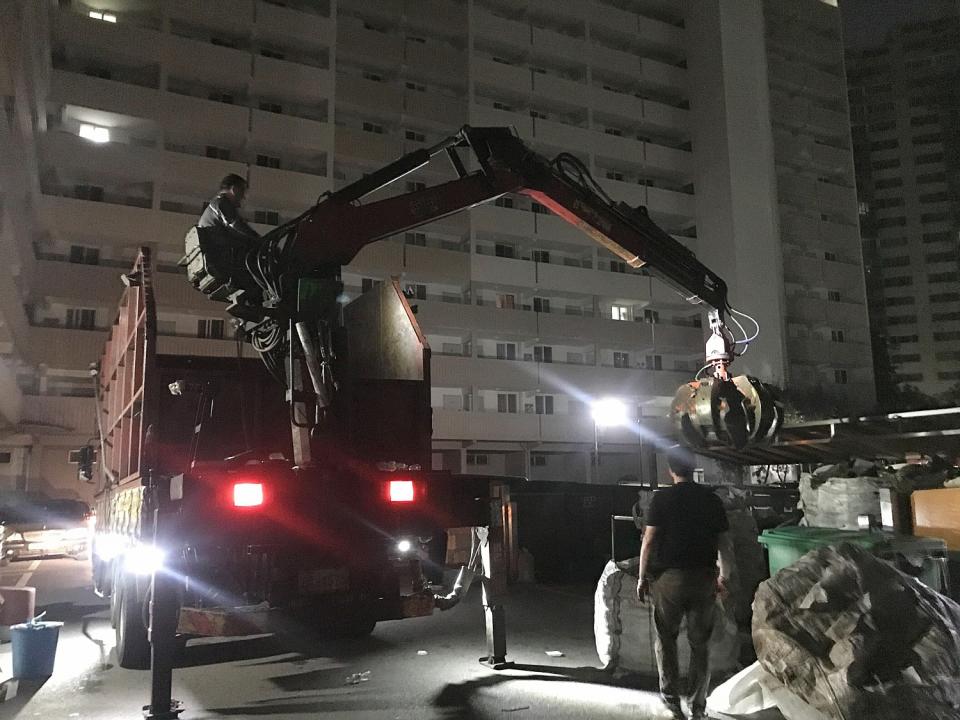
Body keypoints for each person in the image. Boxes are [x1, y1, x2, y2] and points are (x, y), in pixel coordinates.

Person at [636, 447, 733, 720]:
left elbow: (649, 541)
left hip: (670, 580)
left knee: (666, 639)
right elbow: (725, 544)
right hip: (703, 578)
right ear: (694, 468)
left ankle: (671, 701)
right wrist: (724, 577)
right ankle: (697, 706)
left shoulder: (662, 499)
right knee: (699, 644)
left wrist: (642, 578)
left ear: (670, 470)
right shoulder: (711, 500)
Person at [198, 174, 260, 244]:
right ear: (234, 189)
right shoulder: (223, 202)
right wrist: (258, 238)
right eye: (242, 190)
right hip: (216, 246)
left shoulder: (218, 202)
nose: (243, 197)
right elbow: (238, 225)